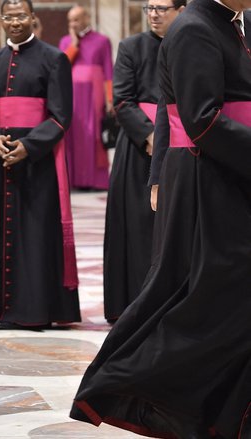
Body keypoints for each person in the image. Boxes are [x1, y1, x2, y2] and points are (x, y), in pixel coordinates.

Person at [70, 0, 251, 437]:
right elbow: (202, 120)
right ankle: (131, 383)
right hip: (211, 178)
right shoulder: (194, 27)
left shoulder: (230, 22)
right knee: (205, 298)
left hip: (232, 173)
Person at [0, 0, 80, 330]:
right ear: (2, 20)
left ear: (33, 18)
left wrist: (28, 146)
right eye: (9, 16)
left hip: (39, 163)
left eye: (21, 16)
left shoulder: (54, 58)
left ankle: (35, 311)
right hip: (1, 161)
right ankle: (2, 311)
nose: (15, 22)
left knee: (36, 236)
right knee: (3, 232)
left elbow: (61, 116)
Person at [102, 0, 184, 322]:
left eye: (162, 8)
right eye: (150, 7)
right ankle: (133, 303)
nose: (154, 14)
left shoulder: (191, 42)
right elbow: (122, 99)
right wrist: (152, 137)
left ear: (181, 9)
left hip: (181, 143)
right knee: (136, 227)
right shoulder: (131, 46)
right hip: (138, 149)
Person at [59, 6, 113, 190]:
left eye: (76, 19)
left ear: (86, 18)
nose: (73, 24)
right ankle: (73, 180)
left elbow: (108, 72)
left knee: (93, 134)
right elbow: (61, 67)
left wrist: (110, 99)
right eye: (70, 20)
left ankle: (95, 180)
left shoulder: (102, 40)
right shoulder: (65, 41)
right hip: (71, 95)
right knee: (72, 134)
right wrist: (73, 44)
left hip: (93, 96)